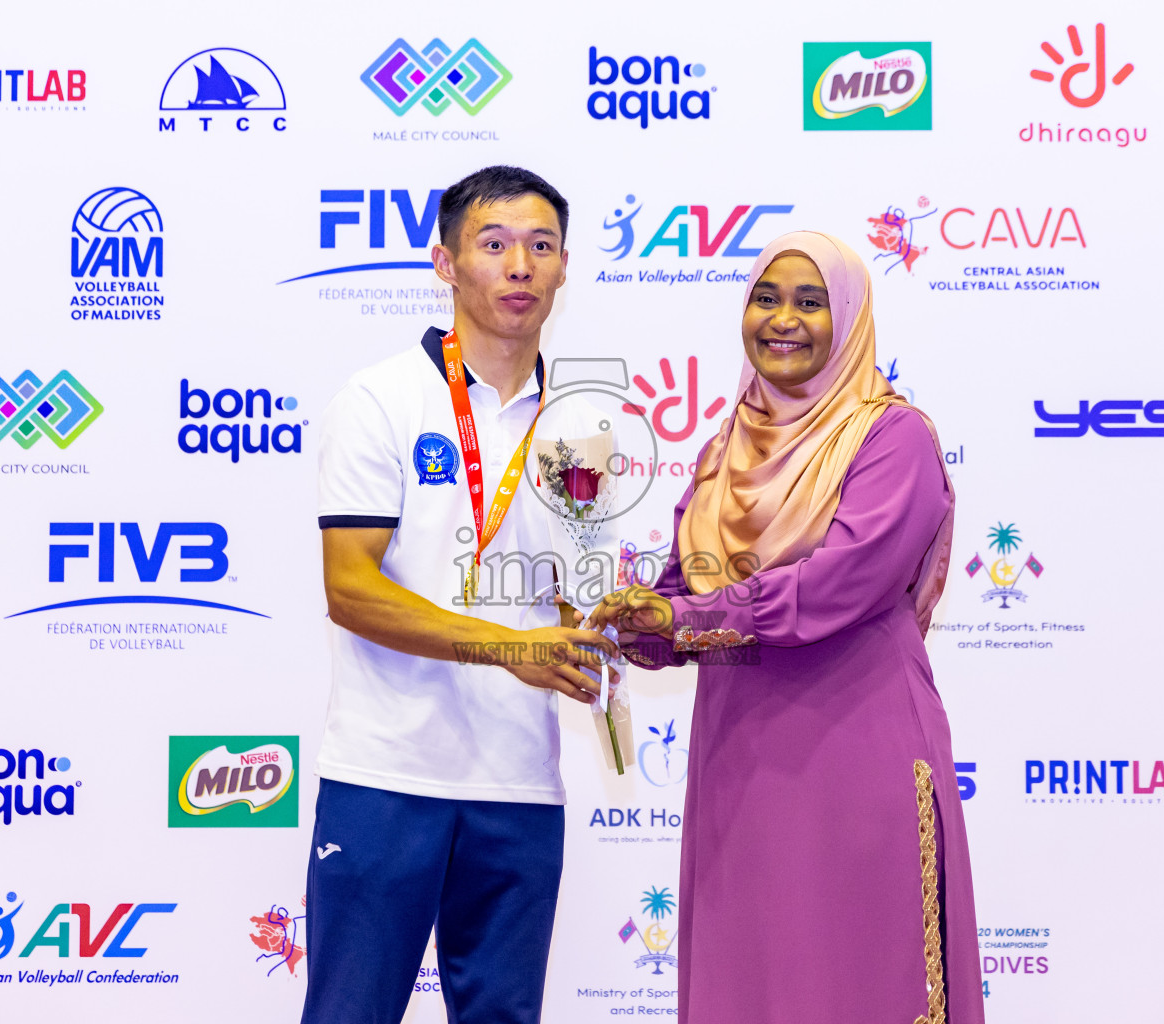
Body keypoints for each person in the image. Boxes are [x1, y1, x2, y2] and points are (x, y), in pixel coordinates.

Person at [586, 232, 983, 1023]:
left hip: (852, 753)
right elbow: (685, 594)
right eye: (768, 299)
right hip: (740, 766)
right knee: (754, 984)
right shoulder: (724, 449)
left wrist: (688, 615)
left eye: (811, 303)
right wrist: (638, 623)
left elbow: (837, 586)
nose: (784, 320)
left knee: (859, 979)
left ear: (850, 319)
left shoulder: (890, 438)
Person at [304, 165, 617, 1024]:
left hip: (519, 782)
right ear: (445, 262)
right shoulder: (381, 400)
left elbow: (577, 597)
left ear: (563, 267)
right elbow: (351, 589)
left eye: (541, 246)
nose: (520, 265)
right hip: (386, 774)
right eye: (494, 244)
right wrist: (506, 647)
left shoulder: (582, 424)